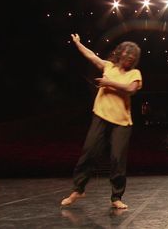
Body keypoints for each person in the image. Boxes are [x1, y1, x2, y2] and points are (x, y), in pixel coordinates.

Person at [61, 33, 142, 209]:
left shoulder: (135, 73)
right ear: (120, 53)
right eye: (127, 54)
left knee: (117, 158)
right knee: (89, 152)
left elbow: (130, 89)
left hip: (122, 123)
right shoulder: (108, 66)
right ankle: (78, 189)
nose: (130, 57)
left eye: (133, 56)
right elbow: (91, 56)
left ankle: (116, 197)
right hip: (101, 116)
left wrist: (108, 83)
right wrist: (78, 43)